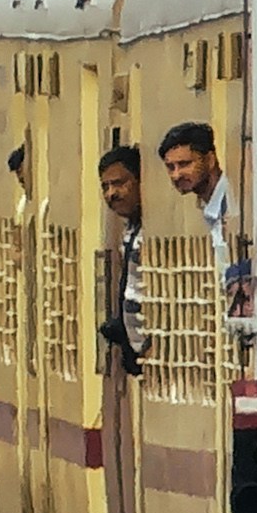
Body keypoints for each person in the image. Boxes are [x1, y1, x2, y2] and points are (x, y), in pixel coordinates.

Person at [157, 119, 235, 316]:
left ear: (210, 160)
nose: (176, 175)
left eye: (184, 164)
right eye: (170, 167)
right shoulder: (208, 207)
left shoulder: (234, 205)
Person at [96, 139, 147, 375]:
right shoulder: (130, 231)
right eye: (105, 187)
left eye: (119, 183)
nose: (111, 193)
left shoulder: (146, 233)